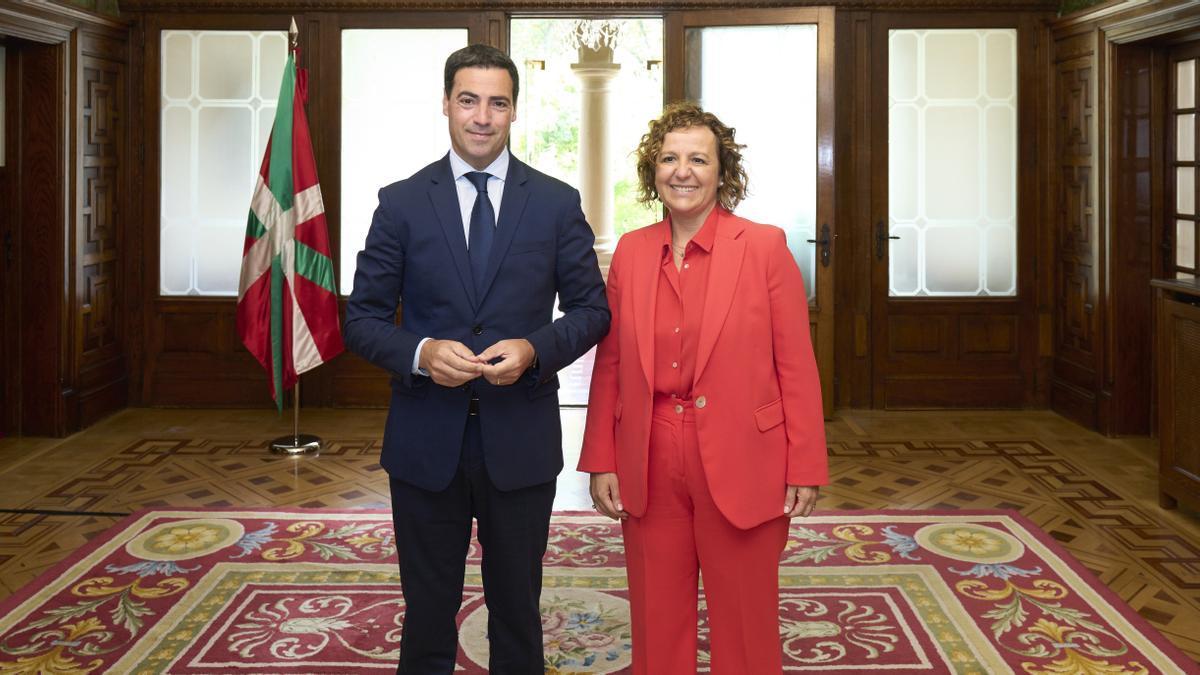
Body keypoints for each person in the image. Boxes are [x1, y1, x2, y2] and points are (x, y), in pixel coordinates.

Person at [344, 44, 609, 674]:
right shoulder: (401, 202)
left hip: (519, 439)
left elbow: (592, 310)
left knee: (517, 607)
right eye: (469, 100)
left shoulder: (554, 202)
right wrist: (420, 352)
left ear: (515, 111)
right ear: (446, 105)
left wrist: (535, 350)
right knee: (428, 608)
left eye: (497, 102)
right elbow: (361, 319)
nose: (482, 116)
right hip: (423, 442)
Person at [578, 101, 828, 674]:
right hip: (650, 450)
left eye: (698, 158)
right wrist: (601, 459)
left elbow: (796, 364)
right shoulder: (632, 254)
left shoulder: (764, 247)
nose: (682, 171)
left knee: (745, 619)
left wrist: (805, 463)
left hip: (746, 451)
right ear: (652, 170)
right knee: (656, 616)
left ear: (723, 171)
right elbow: (610, 364)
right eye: (669, 158)